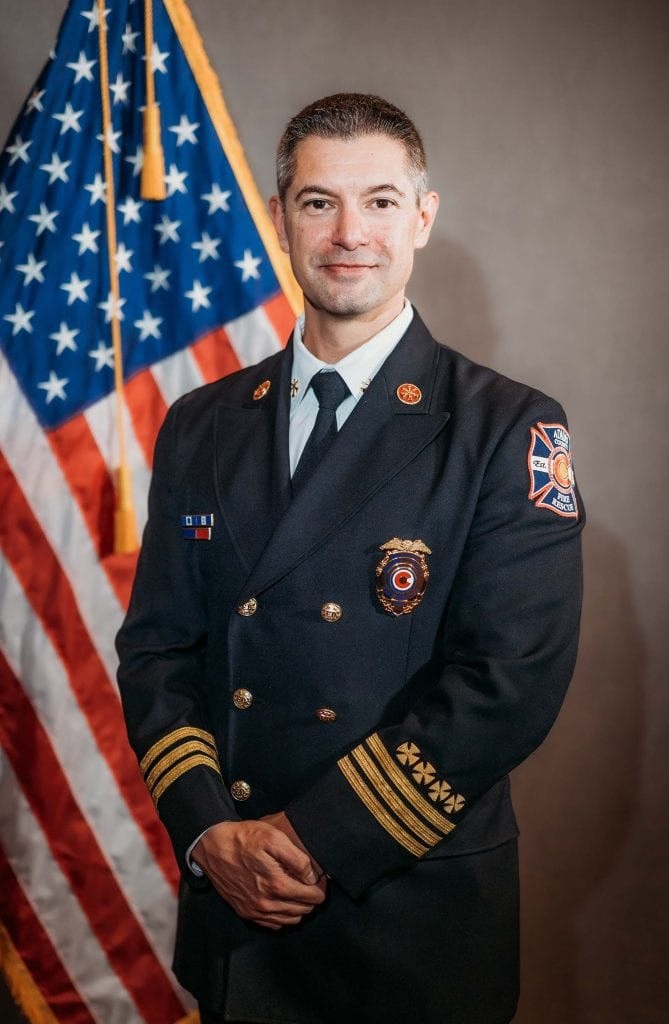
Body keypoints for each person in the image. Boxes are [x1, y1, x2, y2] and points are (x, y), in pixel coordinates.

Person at [116, 93, 584, 1024]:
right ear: (282, 217)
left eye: (377, 201)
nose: (348, 233)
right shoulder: (202, 425)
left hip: (406, 913)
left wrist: (307, 840)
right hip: (238, 912)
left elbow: (510, 681)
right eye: (318, 202)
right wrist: (213, 833)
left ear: (422, 217)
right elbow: (158, 650)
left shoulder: (508, 429)